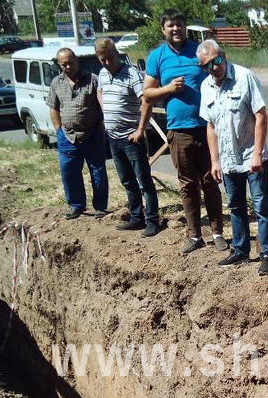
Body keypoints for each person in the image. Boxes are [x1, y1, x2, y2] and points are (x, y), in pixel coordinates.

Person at [143, 11, 226, 254]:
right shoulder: (157, 57)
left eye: (179, 25)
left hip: (205, 127)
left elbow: (218, 73)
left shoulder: (199, 51)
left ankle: (218, 232)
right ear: (163, 29)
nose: (176, 29)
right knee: (187, 184)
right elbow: (147, 93)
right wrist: (167, 88)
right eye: (171, 25)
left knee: (210, 181)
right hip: (178, 130)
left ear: (185, 27)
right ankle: (194, 235)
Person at [197, 40, 268, 275]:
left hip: (252, 158)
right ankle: (240, 250)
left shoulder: (245, 77)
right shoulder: (206, 87)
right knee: (235, 206)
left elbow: (261, 116)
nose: (214, 68)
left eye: (217, 61)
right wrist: (214, 161)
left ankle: (267, 253)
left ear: (224, 55)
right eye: (207, 65)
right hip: (229, 159)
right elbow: (210, 126)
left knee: (261, 206)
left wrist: (257, 155)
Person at [95, 38, 161, 238]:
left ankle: (152, 220)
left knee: (143, 179)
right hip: (114, 138)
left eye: (109, 58)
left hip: (132, 138)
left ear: (117, 54)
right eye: (102, 59)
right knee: (127, 180)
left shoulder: (131, 73)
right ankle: (136, 217)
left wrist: (140, 129)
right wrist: (106, 109)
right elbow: (100, 91)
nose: (106, 62)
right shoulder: (103, 74)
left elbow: (146, 101)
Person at [47, 47, 108, 220]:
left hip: (92, 134)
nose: (67, 67)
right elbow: (54, 107)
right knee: (69, 172)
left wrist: (102, 125)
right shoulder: (56, 82)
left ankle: (100, 207)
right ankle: (76, 205)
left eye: (70, 63)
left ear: (77, 61)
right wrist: (59, 129)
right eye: (63, 64)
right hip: (67, 136)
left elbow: (102, 104)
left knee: (97, 171)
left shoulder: (92, 80)